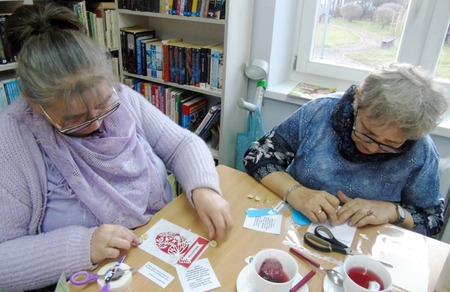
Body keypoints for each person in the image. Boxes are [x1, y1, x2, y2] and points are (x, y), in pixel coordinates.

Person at [0, 3, 232, 291]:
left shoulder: (121, 97)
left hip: (156, 255)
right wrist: (82, 247)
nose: (97, 124)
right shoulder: (11, 139)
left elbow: (182, 144)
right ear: (34, 104)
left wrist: (204, 188)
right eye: (75, 119)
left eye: (102, 106)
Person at [244, 63, 448, 238]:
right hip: (293, 227)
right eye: (367, 132)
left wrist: (395, 212)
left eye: (390, 144)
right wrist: (297, 192)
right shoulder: (321, 112)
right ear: (358, 99)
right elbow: (259, 155)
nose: (371, 147)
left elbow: (432, 218)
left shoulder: (421, 150)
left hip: (367, 247)